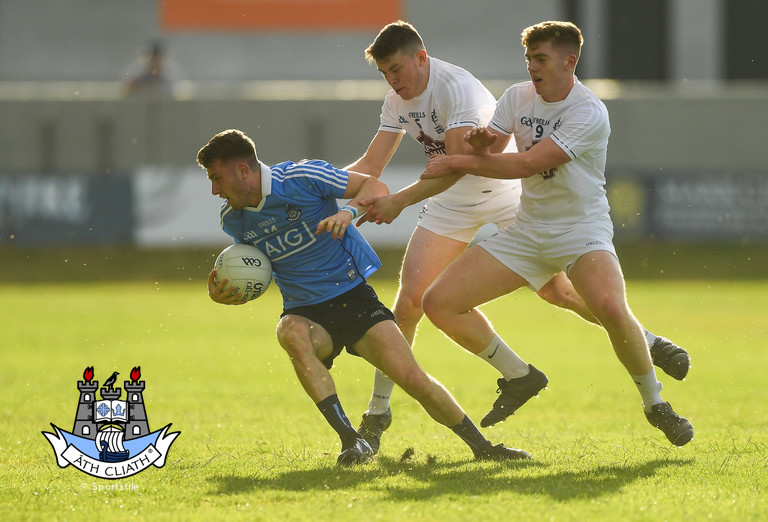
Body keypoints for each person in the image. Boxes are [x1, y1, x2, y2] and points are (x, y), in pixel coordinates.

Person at [346, 21, 690, 452]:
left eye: (397, 70)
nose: (393, 82)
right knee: (416, 302)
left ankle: (650, 366)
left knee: (572, 297)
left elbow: (473, 165)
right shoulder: (495, 97)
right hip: (486, 212)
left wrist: (404, 197)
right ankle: (385, 410)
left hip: (524, 205)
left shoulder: (466, 91)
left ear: (421, 57)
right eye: (385, 74)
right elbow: (386, 162)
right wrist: (317, 189)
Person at [196, 128, 532, 465]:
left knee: (413, 380)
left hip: (354, 299)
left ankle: (484, 448)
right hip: (305, 312)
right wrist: (227, 293)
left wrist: (349, 212)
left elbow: (374, 186)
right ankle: (351, 440)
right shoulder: (233, 220)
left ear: (243, 171)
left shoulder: (301, 176)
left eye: (216, 178)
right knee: (291, 333)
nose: (214, 190)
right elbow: (257, 268)